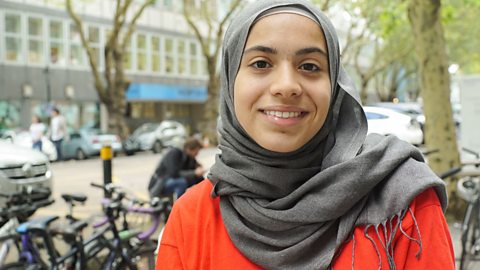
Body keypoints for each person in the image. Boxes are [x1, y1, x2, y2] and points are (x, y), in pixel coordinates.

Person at [155, 1, 455, 269]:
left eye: (310, 66)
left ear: (335, 86)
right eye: (261, 63)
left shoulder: (404, 201)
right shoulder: (192, 218)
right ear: (231, 80)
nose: (286, 86)